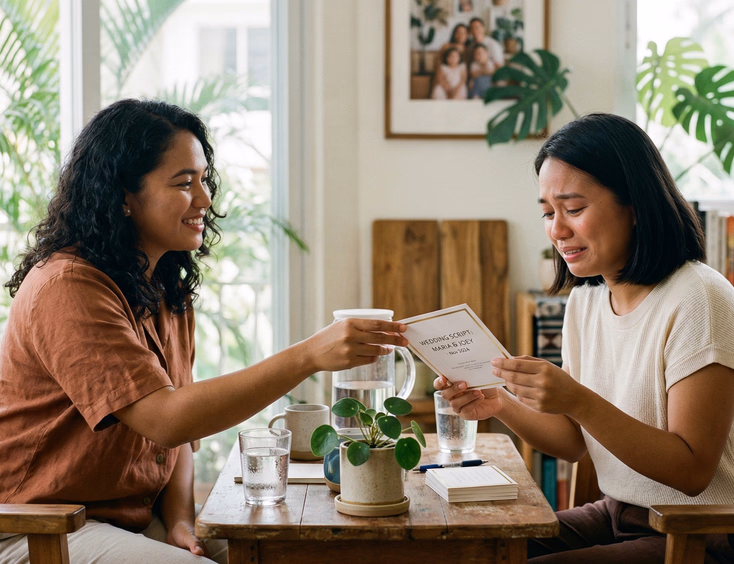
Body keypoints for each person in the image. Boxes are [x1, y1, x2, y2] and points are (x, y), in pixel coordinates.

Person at [0, 99, 409, 563]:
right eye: (183, 183)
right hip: (39, 528)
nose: (205, 199)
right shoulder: (66, 287)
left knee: (302, 551)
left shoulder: (163, 287)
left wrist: (179, 519)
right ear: (123, 197)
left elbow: (177, 441)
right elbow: (167, 418)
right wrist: (308, 356)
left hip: (130, 519)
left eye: (203, 179)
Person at [436, 113, 734, 563]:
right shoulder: (588, 300)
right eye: (547, 213)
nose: (557, 230)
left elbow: (692, 470)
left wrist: (576, 398)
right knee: (467, 549)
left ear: (634, 205)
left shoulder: (699, 298)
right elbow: (575, 441)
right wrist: (500, 403)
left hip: (696, 532)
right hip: (618, 515)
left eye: (573, 209)